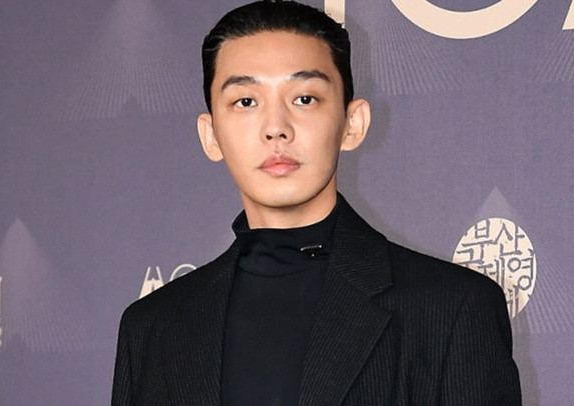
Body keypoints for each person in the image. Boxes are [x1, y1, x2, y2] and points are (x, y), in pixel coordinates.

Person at [111, 1, 521, 405]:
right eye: (246, 101)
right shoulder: (151, 328)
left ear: (352, 124)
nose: (276, 128)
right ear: (210, 135)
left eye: (304, 99)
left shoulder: (452, 309)